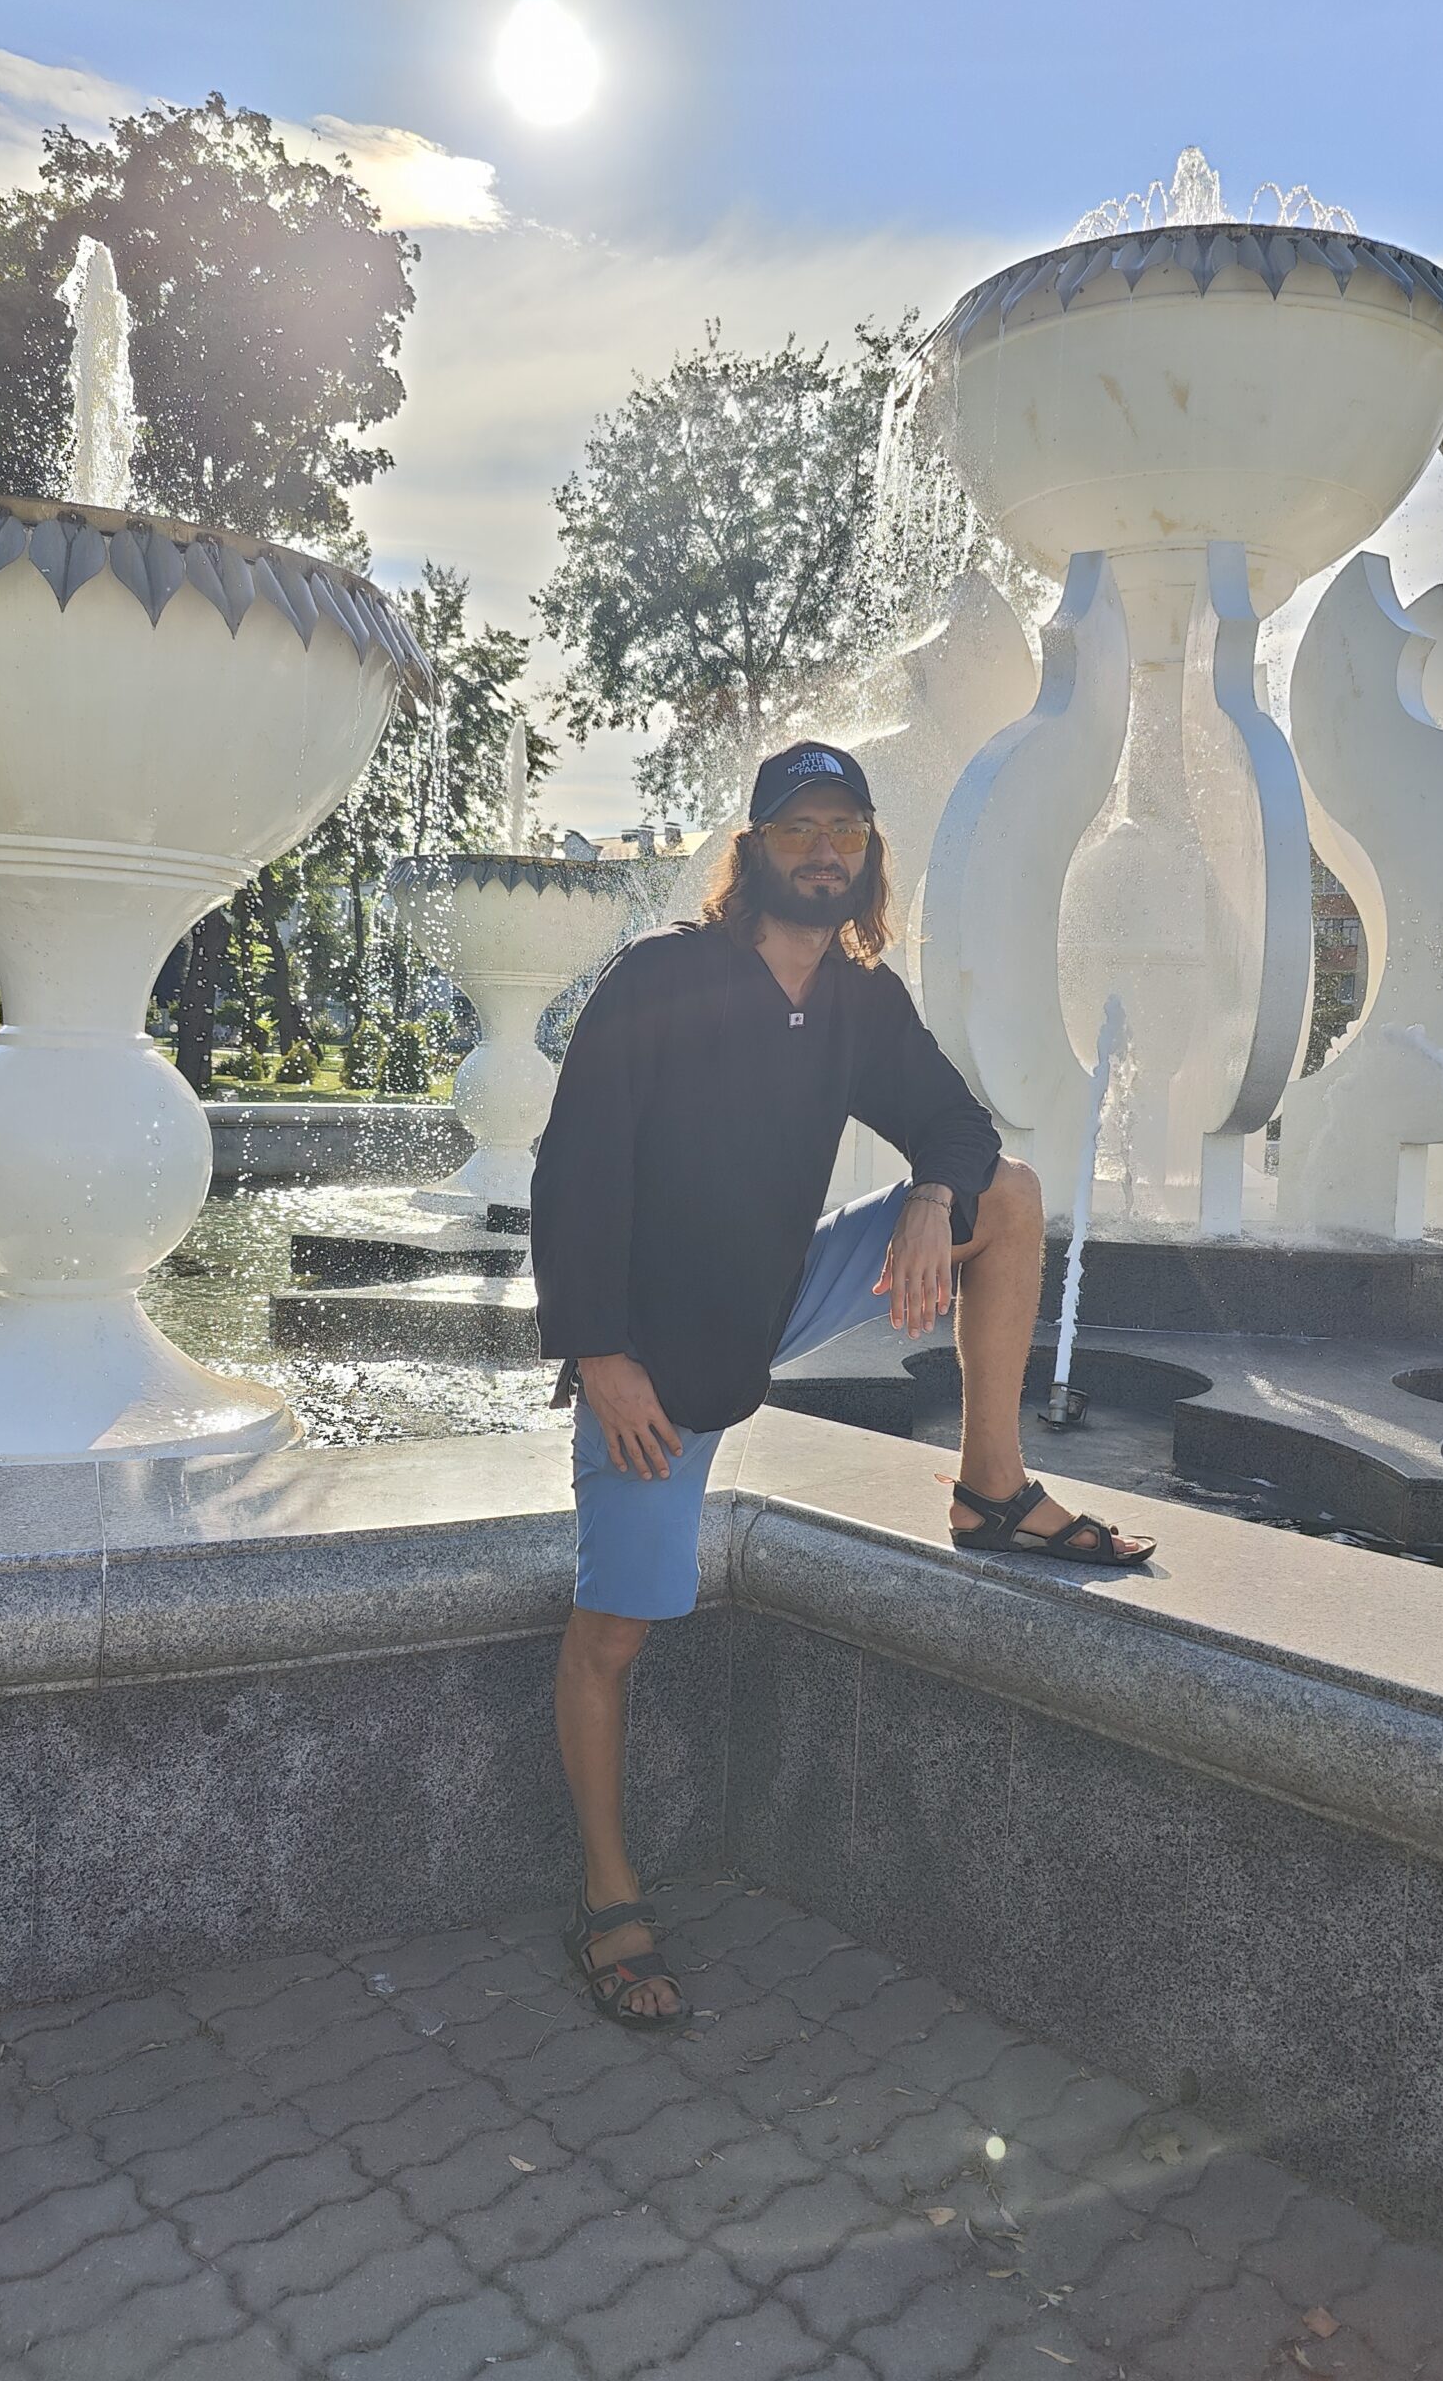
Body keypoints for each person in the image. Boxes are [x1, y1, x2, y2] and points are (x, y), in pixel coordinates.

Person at [531, 740, 1156, 2029]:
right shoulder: (664, 979)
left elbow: (959, 1123)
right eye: (800, 827)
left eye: (847, 831)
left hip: (778, 1294)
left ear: (869, 855)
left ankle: (991, 1488)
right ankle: (605, 1888)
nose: (825, 851)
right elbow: (571, 1167)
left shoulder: (860, 1000)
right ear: (752, 850)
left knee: (1006, 1196)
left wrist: (931, 1196)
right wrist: (600, 1358)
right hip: (655, 1362)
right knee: (614, 1635)